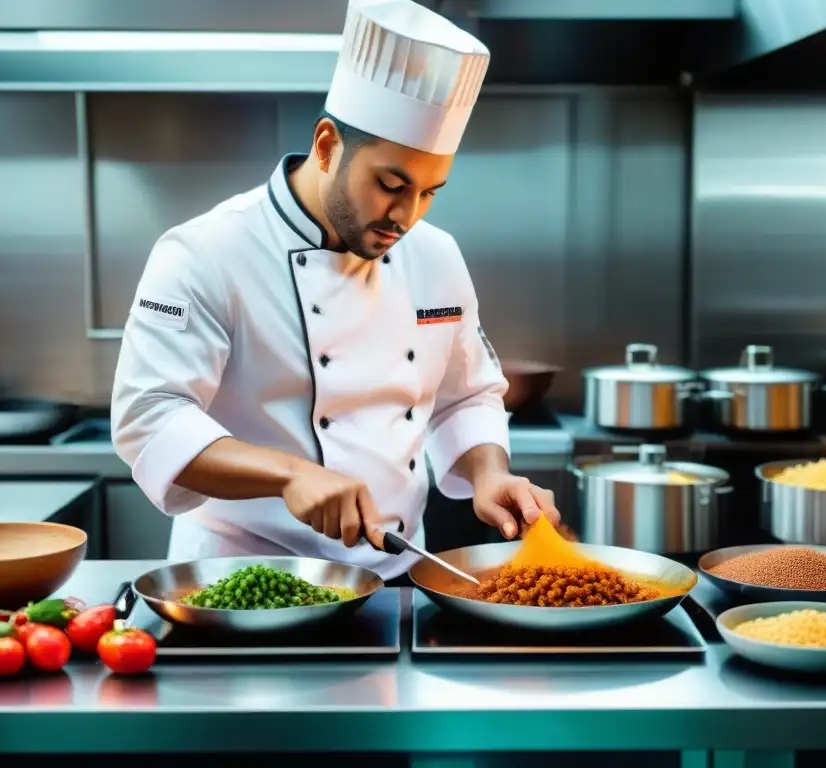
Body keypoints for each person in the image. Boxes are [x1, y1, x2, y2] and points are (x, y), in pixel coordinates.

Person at [110, 0, 561, 585]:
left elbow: (467, 396)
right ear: (326, 145)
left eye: (430, 192)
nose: (406, 216)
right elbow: (149, 416)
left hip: (396, 576)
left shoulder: (436, 256)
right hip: (239, 580)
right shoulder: (206, 252)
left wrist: (488, 474)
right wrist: (289, 475)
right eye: (391, 184)